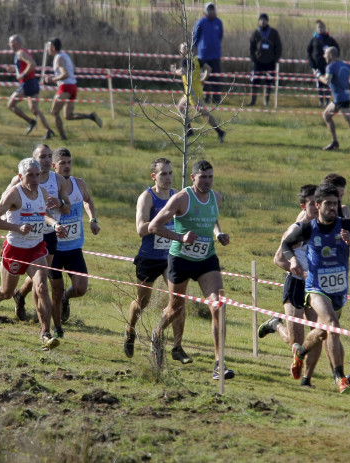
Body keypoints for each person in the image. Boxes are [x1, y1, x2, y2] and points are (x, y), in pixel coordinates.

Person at [148, 160, 232, 380]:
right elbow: (153, 226)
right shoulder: (181, 198)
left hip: (206, 259)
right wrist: (180, 237)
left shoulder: (217, 198)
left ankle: (219, 364)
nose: (207, 181)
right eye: (202, 177)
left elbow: (212, 219)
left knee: (218, 306)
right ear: (193, 178)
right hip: (181, 259)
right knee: (175, 308)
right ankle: (156, 336)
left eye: (210, 177)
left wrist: (218, 234)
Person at [280, 183, 350, 393]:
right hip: (316, 288)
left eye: (335, 204)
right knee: (333, 325)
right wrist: (292, 260)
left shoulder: (345, 225)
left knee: (321, 333)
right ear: (317, 205)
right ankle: (339, 377)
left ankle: (300, 353)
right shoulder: (308, 228)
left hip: (338, 291)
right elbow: (285, 245)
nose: (332, 208)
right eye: (328, 203)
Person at [0, 158, 66, 351]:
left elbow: (44, 214)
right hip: (15, 249)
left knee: (42, 287)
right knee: (6, 293)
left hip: (36, 247)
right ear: (21, 177)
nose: (35, 179)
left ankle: (45, 334)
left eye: (38, 175)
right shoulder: (14, 194)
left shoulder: (42, 192)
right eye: (30, 176)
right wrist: (17, 227)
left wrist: (55, 225)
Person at [259, 184, 325, 387]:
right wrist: (298, 270)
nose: (316, 207)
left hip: (315, 288)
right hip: (295, 285)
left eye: (318, 203)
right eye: (312, 204)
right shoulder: (296, 230)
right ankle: (275, 324)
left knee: (318, 333)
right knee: (296, 340)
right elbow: (278, 259)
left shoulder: (322, 226)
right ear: (303, 206)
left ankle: (307, 378)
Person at [123, 158, 185, 360]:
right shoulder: (147, 197)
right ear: (154, 176)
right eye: (163, 174)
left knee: (177, 301)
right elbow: (140, 230)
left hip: (170, 257)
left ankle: (168, 342)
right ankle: (130, 331)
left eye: (170, 173)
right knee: (142, 302)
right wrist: (161, 221)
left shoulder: (177, 195)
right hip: (149, 257)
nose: (168, 178)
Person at [10, 144, 71, 325]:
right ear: (33, 159)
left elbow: (67, 209)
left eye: (49, 156)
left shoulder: (58, 180)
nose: (46, 160)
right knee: (34, 278)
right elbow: (6, 204)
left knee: (41, 277)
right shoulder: (18, 180)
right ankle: (20, 295)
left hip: (48, 232)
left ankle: (25, 300)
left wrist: (59, 202)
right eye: (42, 156)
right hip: (24, 235)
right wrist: (16, 225)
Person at [48, 148, 100, 334]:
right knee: (39, 283)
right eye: (62, 163)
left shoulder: (79, 184)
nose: (67, 166)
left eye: (69, 162)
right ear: (54, 166)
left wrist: (92, 219)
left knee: (80, 288)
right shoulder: (50, 187)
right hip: (53, 248)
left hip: (74, 247)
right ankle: (21, 297)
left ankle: (64, 297)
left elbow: (88, 200)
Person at [42, 38, 102, 140]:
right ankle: (91, 116)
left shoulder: (58, 58)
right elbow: (73, 69)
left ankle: (63, 138)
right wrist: (57, 78)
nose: (47, 49)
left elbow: (65, 74)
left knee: (54, 112)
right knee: (68, 116)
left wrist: (52, 79)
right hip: (73, 86)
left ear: (53, 48)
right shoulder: (65, 55)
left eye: (48, 47)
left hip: (65, 87)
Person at [170, 43, 226, 143]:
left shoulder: (185, 60)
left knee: (204, 114)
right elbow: (208, 69)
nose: (180, 50)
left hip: (192, 92)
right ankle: (189, 130)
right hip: (194, 89)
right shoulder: (197, 59)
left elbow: (183, 72)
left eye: (181, 48)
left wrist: (174, 71)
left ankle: (220, 132)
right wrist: (203, 79)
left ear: (185, 50)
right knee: (181, 107)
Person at [7, 34, 54, 137]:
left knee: (10, 104)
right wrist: (14, 69)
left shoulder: (21, 53)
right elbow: (24, 65)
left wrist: (22, 75)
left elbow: (32, 64)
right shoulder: (20, 53)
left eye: (10, 42)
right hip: (32, 82)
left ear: (17, 43)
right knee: (34, 109)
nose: (9, 45)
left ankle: (30, 121)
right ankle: (48, 130)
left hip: (27, 83)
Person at [192, 2, 224, 104]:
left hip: (215, 55)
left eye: (212, 9)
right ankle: (205, 97)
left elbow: (220, 36)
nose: (211, 11)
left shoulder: (218, 22)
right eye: (209, 9)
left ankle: (216, 99)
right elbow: (195, 38)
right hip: (203, 56)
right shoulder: (201, 22)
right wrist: (199, 48)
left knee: (216, 78)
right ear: (206, 10)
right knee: (204, 78)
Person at [248, 13, 281, 106]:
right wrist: (253, 57)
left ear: (267, 21)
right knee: (255, 81)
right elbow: (251, 46)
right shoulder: (256, 33)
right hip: (258, 62)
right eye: (261, 20)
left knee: (269, 81)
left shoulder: (274, 32)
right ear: (259, 21)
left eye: (264, 20)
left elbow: (278, 46)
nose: (263, 22)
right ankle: (253, 101)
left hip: (270, 62)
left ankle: (266, 101)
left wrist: (275, 58)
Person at [307, 20, 339, 107]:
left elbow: (337, 49)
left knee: (328, 83)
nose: (320, 29)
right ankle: (321, 101)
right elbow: (308, 52)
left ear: (324, 28)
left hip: (328, 66)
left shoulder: (330, 39)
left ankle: (327, 101)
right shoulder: (314, 40)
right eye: (318, 27)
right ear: (316, 29)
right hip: (317, 66)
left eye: (321, 27)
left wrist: (334, 60)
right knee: (320, 83)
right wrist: (312, 64)